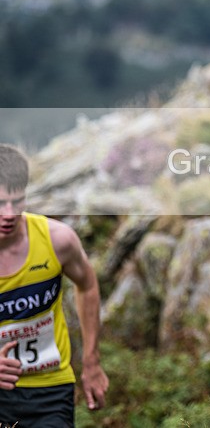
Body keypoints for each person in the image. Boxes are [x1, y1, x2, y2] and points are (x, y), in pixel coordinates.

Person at [0, 144, 108, 427]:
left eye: (17, 201)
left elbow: (87, 285)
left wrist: (91, 361)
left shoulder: (57, 240)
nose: (10, 213)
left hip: (50, 388)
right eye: (0, 203)